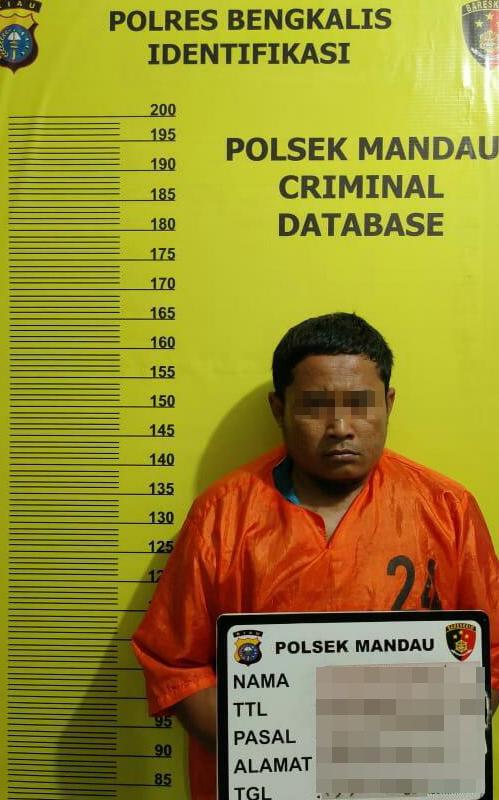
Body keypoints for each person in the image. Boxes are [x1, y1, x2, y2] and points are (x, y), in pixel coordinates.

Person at [132, 312, 499, 800]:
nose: (340, 428)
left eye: (360, 404)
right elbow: (176, 667)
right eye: (315, 407)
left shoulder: (448, 509)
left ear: (389, 404)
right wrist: (278, 757)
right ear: (278, 409)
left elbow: (491, 655)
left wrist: (415, 746)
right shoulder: (221, 515)